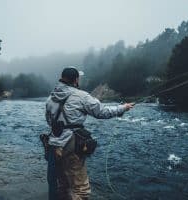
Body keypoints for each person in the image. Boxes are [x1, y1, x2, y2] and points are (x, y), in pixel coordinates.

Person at [45, 67, 134, 200]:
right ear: (76, 80)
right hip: (70, 144)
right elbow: (102, 112)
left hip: (53, 144)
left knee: (62, 185)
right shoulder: (81, 96)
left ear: (62, 79)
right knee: (81, 190)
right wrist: (123, 108)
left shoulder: (51, 97)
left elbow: (49, 120)